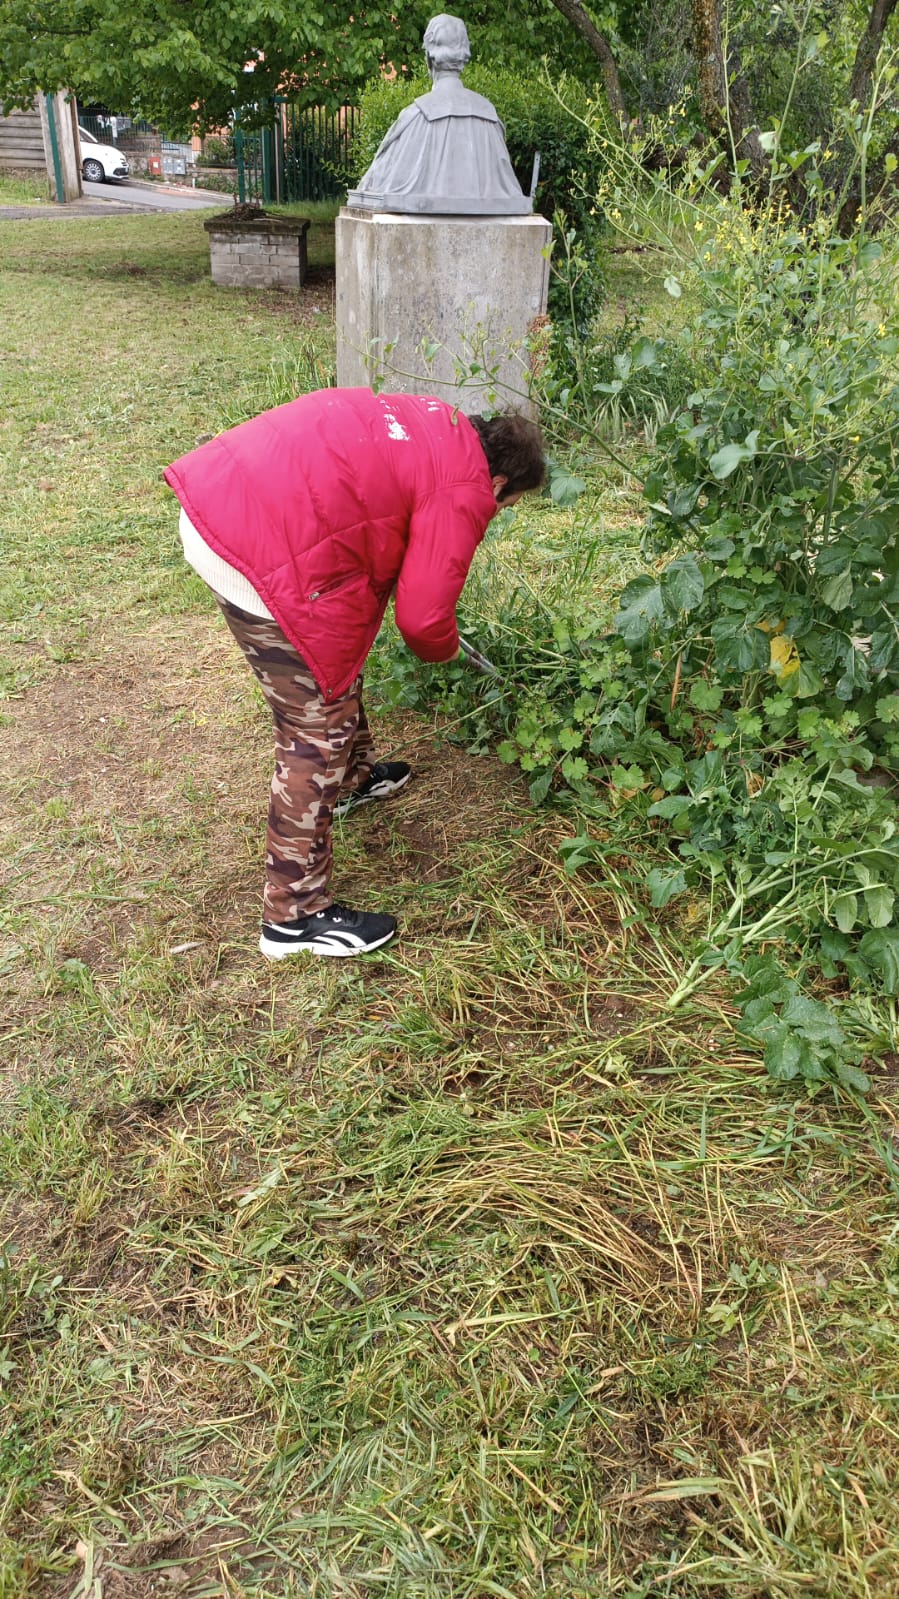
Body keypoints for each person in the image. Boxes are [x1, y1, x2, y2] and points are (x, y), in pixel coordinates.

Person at [164, 388, 546, 959]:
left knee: (340, 650)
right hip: (254, 542)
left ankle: (353, 780)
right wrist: (446, 651)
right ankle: (292, 917)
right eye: (507, 507)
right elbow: (422, 620)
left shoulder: (437, 424)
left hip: (233, 493)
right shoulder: (467, 486)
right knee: (316, 726)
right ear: (500, 486)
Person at [346, 13, 530, 215]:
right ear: (464, 58)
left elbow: (374, 187)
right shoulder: (490, 118)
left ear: (429, 59)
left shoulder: (415, 117)